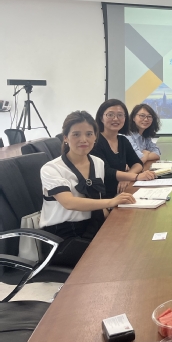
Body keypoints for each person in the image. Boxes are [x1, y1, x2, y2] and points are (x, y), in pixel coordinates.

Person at [40, 111, 136, 268]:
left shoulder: (98, 162)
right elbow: (69, 203)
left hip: (93, 226)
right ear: (65, 137)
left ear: (95, 137)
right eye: (76, 134)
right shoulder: (51, 168)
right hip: (62, 238)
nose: (83, 139)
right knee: (116, 258)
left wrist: (116, 221)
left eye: (89, 134)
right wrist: (111, 202)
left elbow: (97, 202)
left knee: (133, 241)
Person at [91, 99, 155, 197]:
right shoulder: (95, 142)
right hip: (104, 197)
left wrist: (127, 177)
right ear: (101, 118)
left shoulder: (122, 140)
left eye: (120, 115)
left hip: (122, 192)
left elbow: (137, 163)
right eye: (110, 115)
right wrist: (135, 176)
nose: (116, 119)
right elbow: (106, 171)